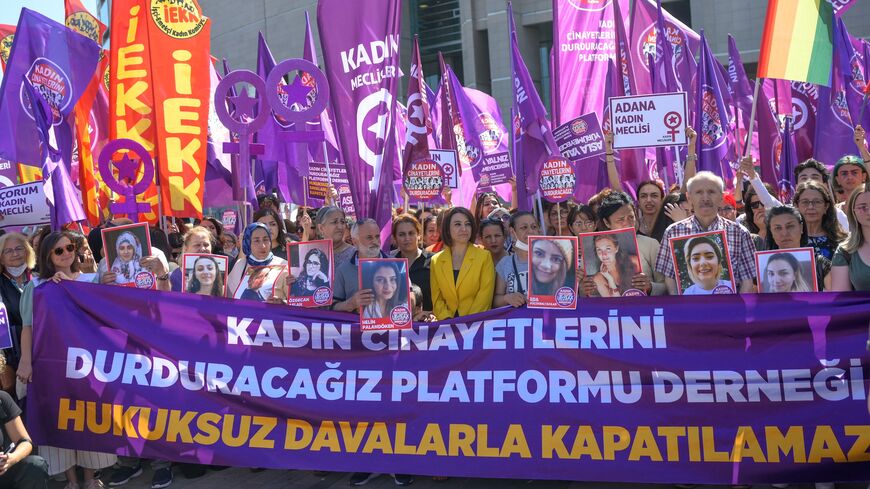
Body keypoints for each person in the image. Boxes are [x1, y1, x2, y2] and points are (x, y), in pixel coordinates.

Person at [18, 231, 116, 488]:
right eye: (58, 250)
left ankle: (90, 478)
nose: (66, 254)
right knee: (61, 419)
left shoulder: (91, 279)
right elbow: (27, 327)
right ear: (47, 256)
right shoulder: (36, 286)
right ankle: (71, 480)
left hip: (89, 366)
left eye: (69, 247)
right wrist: (25, 362)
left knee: (90, 418)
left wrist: (105, 286)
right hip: (52, 365)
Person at [655, 171, 757, 294]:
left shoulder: (739, 233)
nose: (705, 198)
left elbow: (747, 280)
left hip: (729, 310)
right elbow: (670, 278)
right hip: (689, 311)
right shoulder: (673, 232)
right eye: (699, 192)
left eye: (711, 192)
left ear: (721, 197)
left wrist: (736, 310)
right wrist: (681, 308)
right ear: (689, 198)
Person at [590, 192, 662, 295]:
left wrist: (650, 287)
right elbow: (593, 298)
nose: (627, 223)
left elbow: (667, 286)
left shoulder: (651, 244)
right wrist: (585, 289)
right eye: (620, 220)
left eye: (631, 217)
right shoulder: (598, 247)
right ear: (607, 223)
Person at [430, 207, 494, 320]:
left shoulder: (484, 257)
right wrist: (447, 320)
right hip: (447, 328)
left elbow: (484, 297)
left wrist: (465, 323)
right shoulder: (436, 260)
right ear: (448, 229)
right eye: (457, 224)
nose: (464, 229)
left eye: (467, 224)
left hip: (475, 324)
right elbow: (437, 299)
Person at [0, 353, 48, 489]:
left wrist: (11, 459)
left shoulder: (2, 400)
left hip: (3, 472)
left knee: (35, 465)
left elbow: (25, 442)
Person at [765, 206, 832, 291]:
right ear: (771, 232)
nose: (784, 233)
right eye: (778, 228)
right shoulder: (761, 264)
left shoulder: (819, 264)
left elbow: (837, 299)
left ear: (801, 228)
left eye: (790, 226)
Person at [0, 233, 34, 400]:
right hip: (11, 359)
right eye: (8, 251)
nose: (15, 254)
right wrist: (2, 365)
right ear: (1, 258)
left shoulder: (40, 277)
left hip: (42, 351)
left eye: (19, 248)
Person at [333, 219, 386, 313]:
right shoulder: (343, 270)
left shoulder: (397, 264)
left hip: (389, 326)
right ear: (355, 241)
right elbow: (333, 306)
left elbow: (409, 297)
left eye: (377, 236)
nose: (375, 241)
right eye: (369, 237)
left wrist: (410, 299)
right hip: (356, 326)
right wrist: (350, 304)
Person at [226, 223, 287, 300]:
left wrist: (281, 303)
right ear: (248, 243)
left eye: (265, 239)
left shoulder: (284, 265)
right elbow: (229, 297)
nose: (263, 246)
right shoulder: (240, 264)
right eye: (256, 241)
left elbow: (294, 301)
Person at [493, 212, 539, 308]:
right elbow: (495, 301)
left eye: (534, 227)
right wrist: (507, 298)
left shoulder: (552, 260)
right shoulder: (505, 263)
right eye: (524, 227)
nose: (530, 231)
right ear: (512, 232)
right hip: (520, 321)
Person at [792, 180, 846, 260]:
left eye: (817, 202)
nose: (810, 207)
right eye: (805, 202)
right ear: (796, 206)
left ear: (826, 206)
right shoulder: (787, 239)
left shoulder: (842, 241)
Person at [390, 214, 433, 312]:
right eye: (401, 234)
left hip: (427, 323)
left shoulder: (434, 260)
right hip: (396, 321)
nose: (407, 238)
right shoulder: (389, 263)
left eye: (411, 233)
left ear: (419, 235)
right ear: (395, 238)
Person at [831, 184, 870, 291]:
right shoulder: (844, 251)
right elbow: (842, 301)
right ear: (853, 212)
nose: (869, 212)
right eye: (863, 207)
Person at [168, 227, 213, 293]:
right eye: (197, 245)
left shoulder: (218, 277)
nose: (203, 248)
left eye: (206, 245)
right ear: (186, 249)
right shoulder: (171, 278)